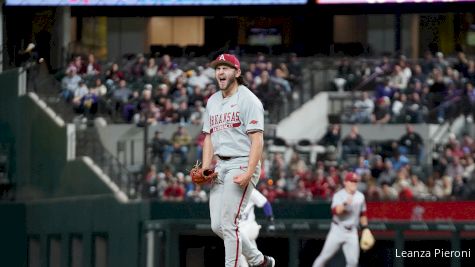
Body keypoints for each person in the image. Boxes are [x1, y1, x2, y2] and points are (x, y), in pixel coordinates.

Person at [201, 53, 275, 267]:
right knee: (218, 226)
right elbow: (208, 137)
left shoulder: (248, 99)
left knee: (228, 222)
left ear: (237, 72)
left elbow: (257, 140)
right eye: (218, 68)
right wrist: (206, 167)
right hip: (220, 165)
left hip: (242, 161)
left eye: (226, 67)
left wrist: (250, 171)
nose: (221, 72)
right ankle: (259, 260)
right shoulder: (213, 100)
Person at [312, 172, 369, 267]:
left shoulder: (360, 196)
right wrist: (345, 204)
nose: (354, 183)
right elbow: (336, 211)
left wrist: (365, 228)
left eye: (355, 181)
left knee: (353, 262)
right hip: (338, 230)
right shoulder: (339, 195)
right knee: (324, 257)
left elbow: (363, 214)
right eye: (351, 181)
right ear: (345, 182)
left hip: (352, 232)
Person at [239, 189, 276, 267]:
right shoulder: (227, 192)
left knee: (238, 241)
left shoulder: (249, 190)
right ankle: (262, 262)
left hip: (250, 226)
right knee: (252, 253)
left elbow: (265, 203)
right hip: (239, 229)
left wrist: (270, 221)